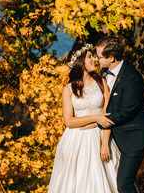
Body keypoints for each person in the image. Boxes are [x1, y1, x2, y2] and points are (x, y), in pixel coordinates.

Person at [48, 43, 120, 193]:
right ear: (80, 62)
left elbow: (109, 114)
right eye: (89, 57)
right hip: (76, 141)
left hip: (100, 137)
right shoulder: (68, 89)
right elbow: (69, 121)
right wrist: (96, 118)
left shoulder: (101, 82)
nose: (94, 59)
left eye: (93, 56)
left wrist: (105, 144)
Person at [95, 36, 144, 193]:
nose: (97, 59)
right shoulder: (104, 72)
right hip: (116, 136)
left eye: (100, 57)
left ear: (111, 58)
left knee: (124, 183)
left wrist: (98, 121)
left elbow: (126, 112)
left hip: (134, 138)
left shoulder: (132, 78)